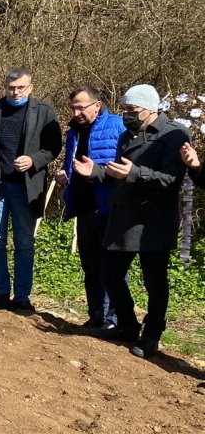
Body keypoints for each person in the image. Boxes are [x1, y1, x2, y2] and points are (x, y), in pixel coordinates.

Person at [73, 84, 190, 358]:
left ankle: (151, 335)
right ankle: (127, 325)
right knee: (109, 274)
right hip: (123, 217)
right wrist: (96, 172)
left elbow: (172, 180)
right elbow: (118, 173)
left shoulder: (173, 135)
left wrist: (135, 173)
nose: (126, 114)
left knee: (155, 282)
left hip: (154, 220)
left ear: (150, 109)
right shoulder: (127, 135)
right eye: (125, 109)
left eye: (132, 110)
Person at [0, 68, 62, 311]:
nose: (15, 92)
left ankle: (22, 296)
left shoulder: (44, 112)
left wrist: (34, 160)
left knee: (24, 242)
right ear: (5, 87)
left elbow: (53, 147)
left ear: (31, 87)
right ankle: (2, 292)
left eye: (21, 88)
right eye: (11, 88)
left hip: (26, 186)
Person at [54, 87, 127, 330]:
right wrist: (66, 176)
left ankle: (116, 320)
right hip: (83, 207)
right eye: (73, 108)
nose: (76, 112)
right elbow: (74, 165)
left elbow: (127, 168)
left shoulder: (118, 126)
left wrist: (97, 171)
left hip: (110, 207)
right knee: (91, 266)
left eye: (81, 107)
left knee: (112, 267)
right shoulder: (73, 133)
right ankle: (96, 316)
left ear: (97, 105)